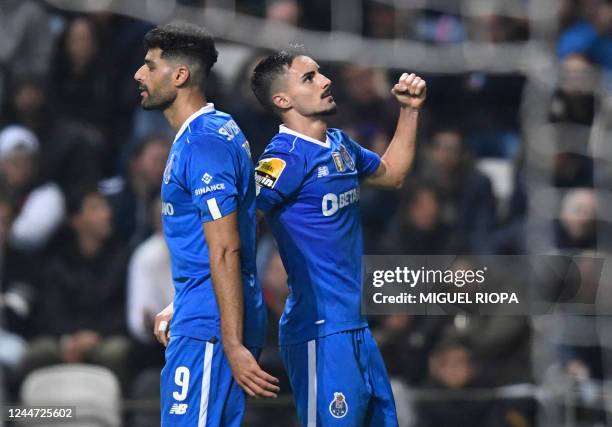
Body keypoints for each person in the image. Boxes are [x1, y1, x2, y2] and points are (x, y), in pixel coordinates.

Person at [251, 49, 426, 426]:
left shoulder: (340, 145)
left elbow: (392, 174)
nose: (326, 80)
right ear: (283, 100)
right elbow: (235, 226)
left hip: (357, 327)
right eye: (309, 78)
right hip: (317, 330)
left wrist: (409, 110)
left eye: (321, 73)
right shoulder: (283, 159)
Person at [133, 22, 278, 426]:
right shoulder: (214, 131)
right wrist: (182, 302)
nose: (139, 75)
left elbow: (227, 246)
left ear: (179, 75)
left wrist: (230, 342)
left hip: (211, 325)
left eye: (149, 65)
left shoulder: (203, 143)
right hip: (206, 310)